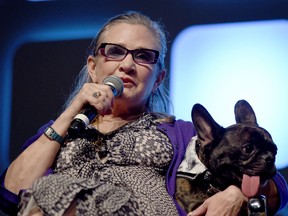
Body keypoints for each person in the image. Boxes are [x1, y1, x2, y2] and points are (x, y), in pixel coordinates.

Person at [0, 11, 287, 216]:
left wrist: (236, 193)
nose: (127, 64)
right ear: (92, 66)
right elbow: (12, 192)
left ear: (158, 78)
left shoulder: (181, 133)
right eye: (114, 51)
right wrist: (72, 112)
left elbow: (274, 186)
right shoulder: (63, 128)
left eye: (143, 56)